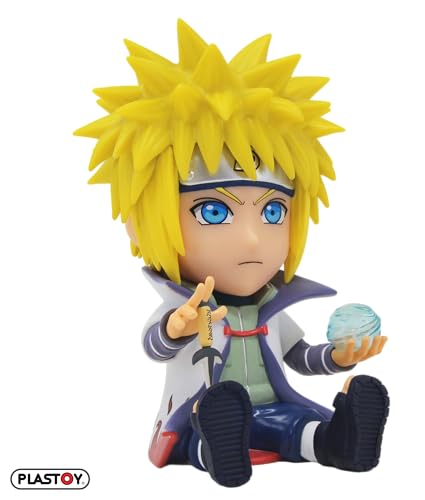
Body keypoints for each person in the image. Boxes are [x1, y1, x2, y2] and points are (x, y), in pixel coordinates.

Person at [75, 19, 390, 488]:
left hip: (273, 406)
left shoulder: (272, 307)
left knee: (295, 426)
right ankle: (218, 451)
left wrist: (337, 357)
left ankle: (339, 442)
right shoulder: (185, 309)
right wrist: (176, 328)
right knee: (205, 427)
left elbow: (298, 355)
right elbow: (155, 346)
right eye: (214, 211)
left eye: (273, 212)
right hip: (200, 411)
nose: (252, 240)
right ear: (143, 220)